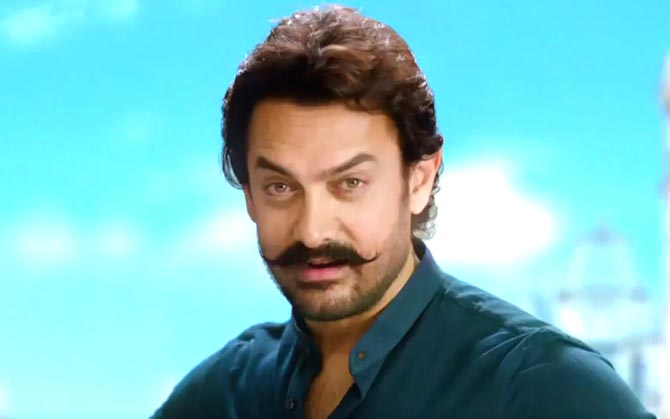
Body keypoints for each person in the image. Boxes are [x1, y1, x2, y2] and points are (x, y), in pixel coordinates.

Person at [150, 5, 656, 419]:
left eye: (349, 183)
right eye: (280, 187)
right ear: (249, 196)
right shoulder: (223, 392)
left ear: (419, 180)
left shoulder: (543, 388)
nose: (313, 230)